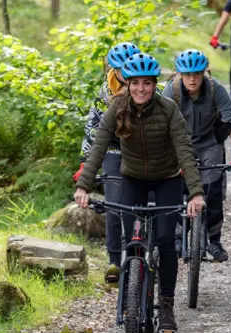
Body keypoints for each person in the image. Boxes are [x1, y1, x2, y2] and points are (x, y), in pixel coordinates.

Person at [74, 53, 205, 332]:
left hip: (167, 179)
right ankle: (131, 294)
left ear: (154, 84)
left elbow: (184, 150)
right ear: (127, 83)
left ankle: (167, 305)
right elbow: (98, 147)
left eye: (147, 83)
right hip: (132, 178)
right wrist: (84, 185)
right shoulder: (116, 107)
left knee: (166, 239)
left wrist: (195, 193)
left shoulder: (168, 108)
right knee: (132, 240)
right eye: (135, 83)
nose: (141, 89)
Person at [163, 49, 231, 262]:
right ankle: (176, 235)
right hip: (178, 144)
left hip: (209, 143)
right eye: (187, 74)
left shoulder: (215, 89)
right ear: (178, 74)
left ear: (205, 73)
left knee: (213, 188)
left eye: (197, 73)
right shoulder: (170, 91)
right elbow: (161, 126)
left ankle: (214, 240)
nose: (192, 78)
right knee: (173, 186)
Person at [73, 42, 140, 285]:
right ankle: (114, 259)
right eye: (121, 69)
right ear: (113, 69)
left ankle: (144, 249)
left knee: (142, 205)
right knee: (113, 205)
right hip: (113, 147)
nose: (126, 72)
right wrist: (85, 163)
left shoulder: (147, 86)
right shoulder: (105, 91)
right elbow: (93, 129)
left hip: (142, 149)